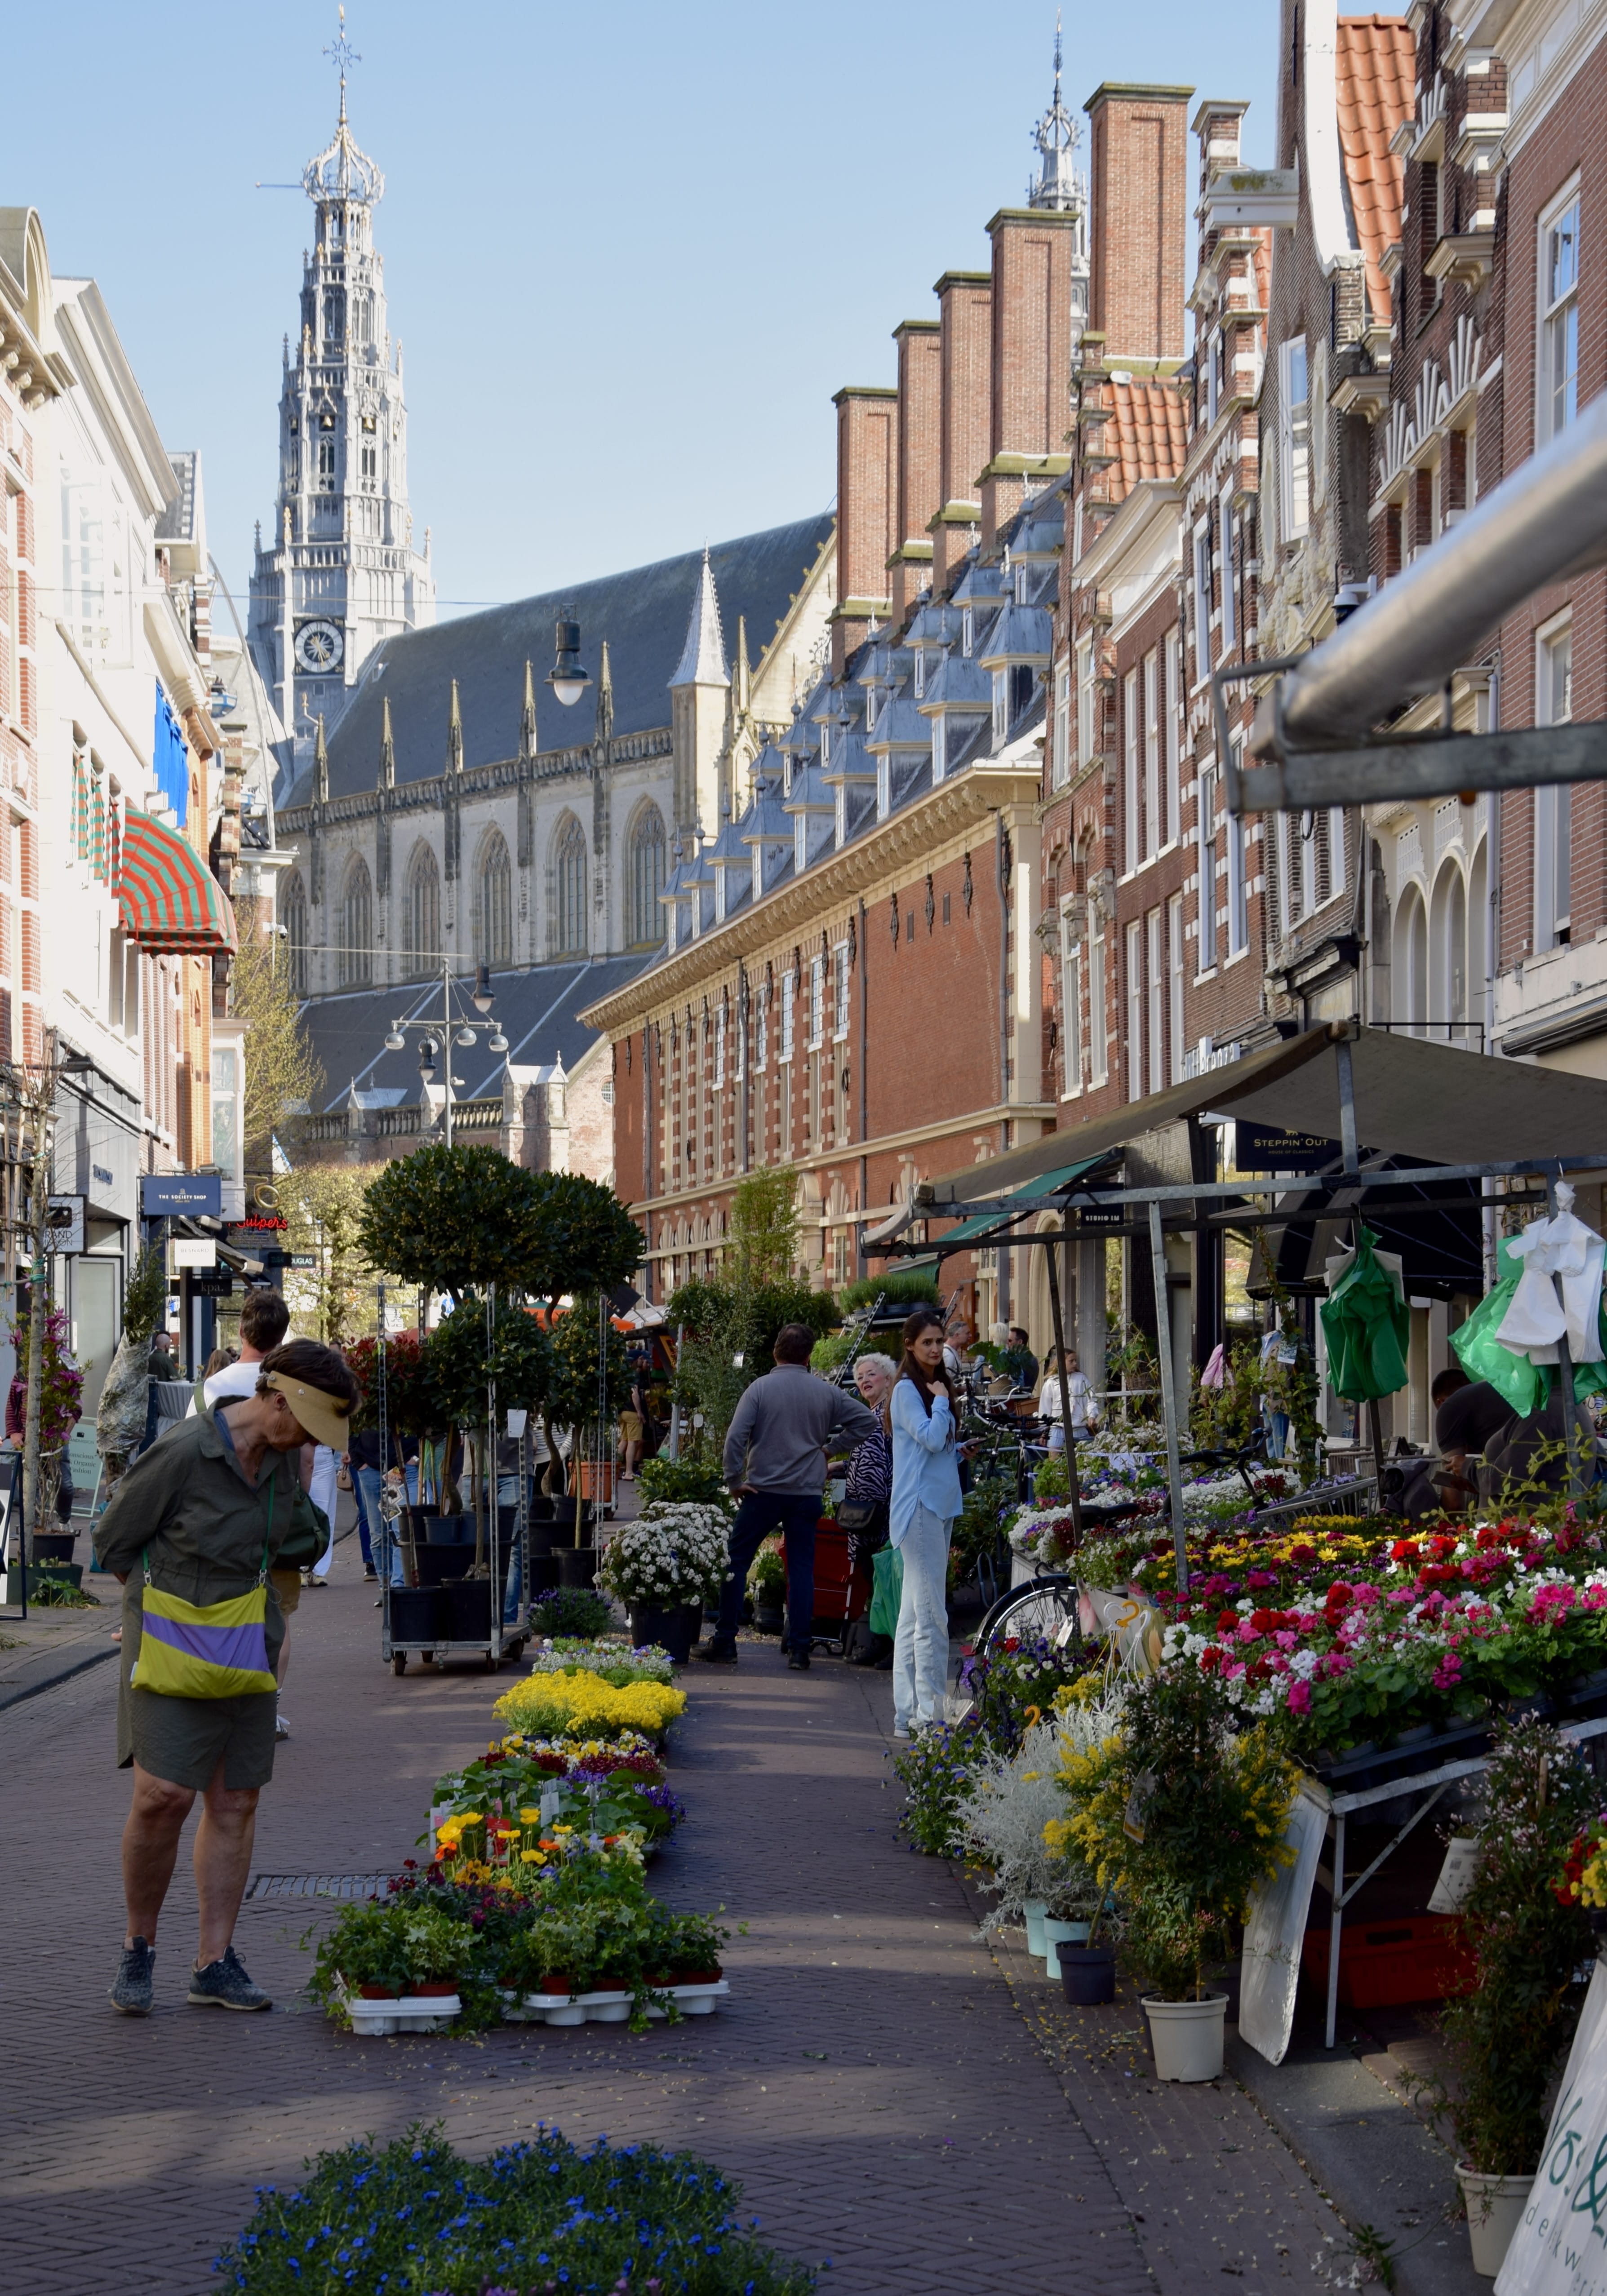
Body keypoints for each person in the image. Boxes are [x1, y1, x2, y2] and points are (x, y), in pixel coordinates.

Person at [94, 1337, 360, 2016]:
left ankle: (214, 1961)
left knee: (236, 1799)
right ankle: (138, 1946)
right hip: (168, 1639)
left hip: (245, 1641)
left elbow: (304, 1542)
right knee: (162, 1796)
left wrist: (298, 1477)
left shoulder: (280, 1462)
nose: (310, 1441)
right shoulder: (185, 1451)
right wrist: (164, 1605)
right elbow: (114, 1542)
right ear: (275, 1399)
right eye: (306, 1425)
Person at [698, 1322, 878, 1671]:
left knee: (736, 1565)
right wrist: (829, 1450)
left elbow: (736, 1438)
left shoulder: (760, 1389)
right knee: (801, 1570)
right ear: (809, 1357)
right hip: (805, 1493)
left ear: (775, 1352)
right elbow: (867, 1423)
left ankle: (725, 1641)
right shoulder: (825, 1392)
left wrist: (734, 1479)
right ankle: (799, 1649)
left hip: (762, 1491)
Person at [186, 1292, 311, 1738]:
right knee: (278, 1618)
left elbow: (188, 1456)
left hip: (214, 1529)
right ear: (281, 1335)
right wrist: (299, 1508)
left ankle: (219, 1709)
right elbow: (306, 1460)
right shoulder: (292, 1387)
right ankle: (267, 1709)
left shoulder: (209, 1390)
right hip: (275, 1526)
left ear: (241, 1330)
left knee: (216, 1613)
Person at [889, 1308, 964, 1738]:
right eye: (928, 1343)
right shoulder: (908, 1391)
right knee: (932, 1617)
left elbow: (934, 1449)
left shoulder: (929, 1389)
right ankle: (931, 1716)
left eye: (939, 1342)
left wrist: (960, 1448)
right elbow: (930, 1437)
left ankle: (907, 1716)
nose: (936, 1349)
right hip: (920, 1508)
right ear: (911, 1347)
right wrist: (940, 1402)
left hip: (937, 1504)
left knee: (914, 1617)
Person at [842, 1352, 896, 1669]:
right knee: (872, 1579)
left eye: (871, 1374)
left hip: (880, 1513)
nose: (864, 1380)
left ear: (888, 1379)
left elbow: (886, 1462)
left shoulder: (889, 1415)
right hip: (863, 1514)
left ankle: (887, 1646)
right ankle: (878, 1642)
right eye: (860, 1376)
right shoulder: (870, 1415)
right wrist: (840, 1467)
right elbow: (868, 1460)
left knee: (882, 1579)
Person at [1038, 1347, 1096, 1453]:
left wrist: (1092, 1415)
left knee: (1082, 1459)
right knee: (1053, 1462)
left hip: (1078, 1428)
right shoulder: (1051, 1382)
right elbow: (1045, 1408)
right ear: (1061, 1362)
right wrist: (1044, 1432)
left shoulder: (1081, 1378)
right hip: (1057, 1429)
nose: (1075, 1364)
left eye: (1076, 1361)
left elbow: (1091, 1399)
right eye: (1071, 1361)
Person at [1003, 1326, 1039, 1392]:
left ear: (1020, 1342)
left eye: (1010, 1340)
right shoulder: (1033, 1359)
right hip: (1026, 1398)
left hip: (1017, 1398)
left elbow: (1015, 1384)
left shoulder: (1018, 1360)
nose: (1008, 1343)